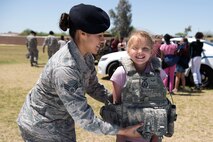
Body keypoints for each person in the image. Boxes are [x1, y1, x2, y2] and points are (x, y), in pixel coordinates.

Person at [17, 3, 142, 142]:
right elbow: (85, 119)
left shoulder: (86, 55)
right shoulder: (65, 69)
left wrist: (118, 100)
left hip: (60, 123)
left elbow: (93, 86)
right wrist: (123, 131)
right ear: (82, 34)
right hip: (41, 127)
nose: (103, 40)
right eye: (99, 35)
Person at [101, 31, 176, 142]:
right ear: (128, 50)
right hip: (127, 137)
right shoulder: (120, 73)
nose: (140, 52)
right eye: (135, 48)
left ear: (151, 51)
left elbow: (161, 105)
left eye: (145, 48)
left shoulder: (158, 73)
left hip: (153, 136)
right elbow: (117, 110)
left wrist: (156, 137)